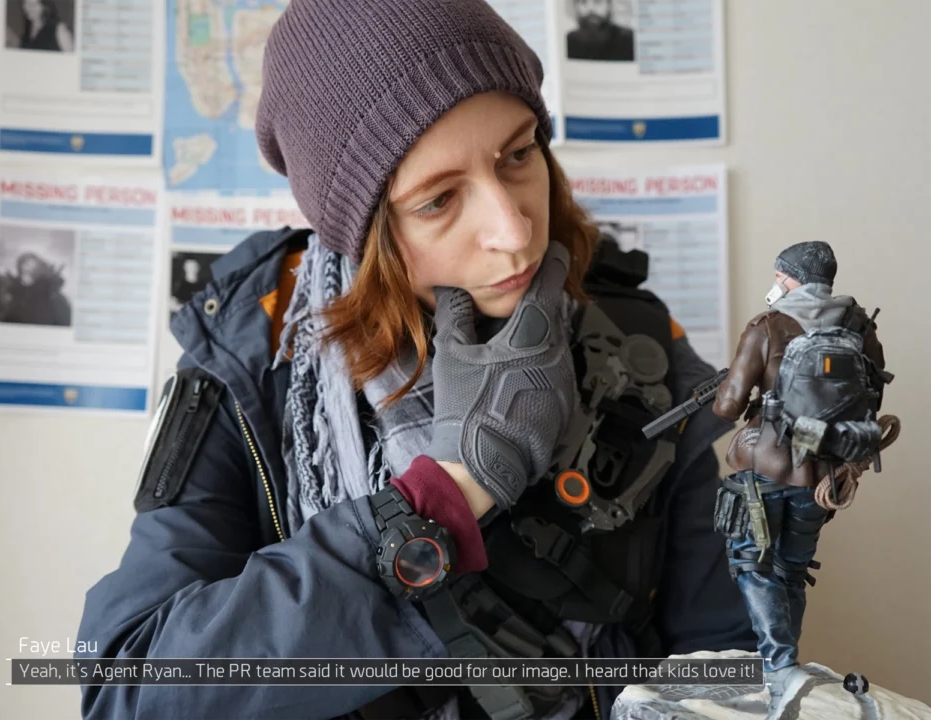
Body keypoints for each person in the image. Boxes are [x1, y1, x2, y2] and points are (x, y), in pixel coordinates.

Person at [75, 2, 753, 719]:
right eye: (438, 200)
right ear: (363, 232)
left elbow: (726, 670)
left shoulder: (643, 354)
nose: (513, 230)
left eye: (518, 155)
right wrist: (445, 500)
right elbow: (128, 689)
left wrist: (782, 511)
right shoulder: (250, 369)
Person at [711, 241, 891, 712]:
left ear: (788, 278)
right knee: (791, 569)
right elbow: (873, 398)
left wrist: (739, 396)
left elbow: (728, 405)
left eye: (779, 275)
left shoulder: (767, 327)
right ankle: (785, 667)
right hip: (823, 477)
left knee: (753, 564)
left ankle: (780, 667)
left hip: (766, 467)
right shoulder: (859, 326)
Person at [0, 252, 72, 327]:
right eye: (24, 265)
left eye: (32, 266)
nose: (26, 268)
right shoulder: (16, 291)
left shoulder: (49, 294)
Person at [566, 0, 635, 62]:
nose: (590, 9)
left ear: (609, 6)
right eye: (583, 2)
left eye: (597, 1)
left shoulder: (629, 40)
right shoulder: (569, 41)